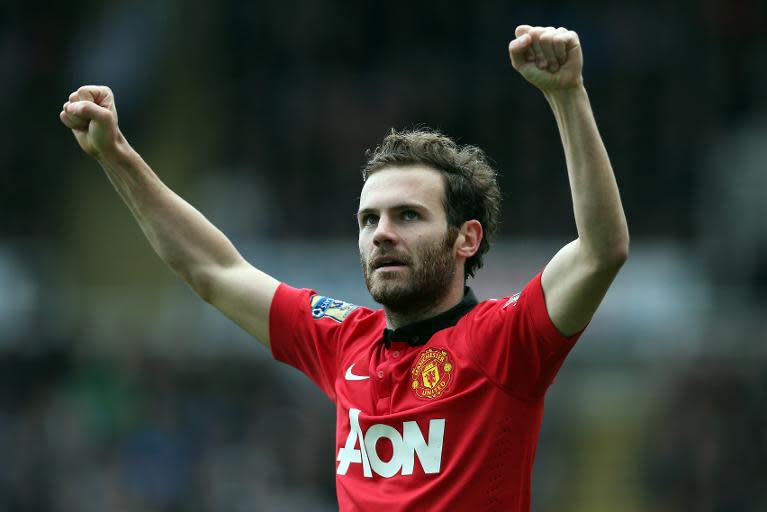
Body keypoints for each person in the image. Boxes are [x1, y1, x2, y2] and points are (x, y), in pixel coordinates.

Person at [59, 24, 628, 512]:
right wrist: (117, 155)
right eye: (368, 219)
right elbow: (213, 269)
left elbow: (601, 251)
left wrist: (566, 94)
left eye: (408, 215)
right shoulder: (342, 342)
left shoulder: (506, 341)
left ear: (465, 239)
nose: (381, 232)